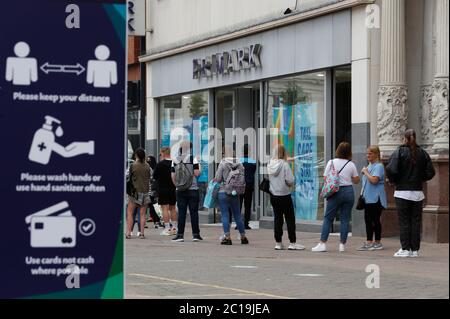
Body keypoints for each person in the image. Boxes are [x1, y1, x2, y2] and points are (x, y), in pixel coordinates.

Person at [386, 129, 435, 258]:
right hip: (418, 193)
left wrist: (394, 181)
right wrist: (420, 178)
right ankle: (414, 250)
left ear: (404, 138)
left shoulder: (399, 152)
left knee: (404, 221)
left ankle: (405, 248)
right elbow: (431, 172)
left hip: (402, 192)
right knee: (415, 221)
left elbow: (391, 169)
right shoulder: (423, 153)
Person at [312, 142, 360, 252]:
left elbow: (325, 178)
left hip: (335, 192)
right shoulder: (351, 164)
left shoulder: (331, 162)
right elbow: (357, 180)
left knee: (328, 218)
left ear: (337, 150)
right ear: (349, 152)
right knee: (345, 219)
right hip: (348, 191)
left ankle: (322, 244)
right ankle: (342, 245)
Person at [268, 145, 304, 250]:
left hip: (274, 195)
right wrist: (289, 184)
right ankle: (292, 242)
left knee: (277, 219)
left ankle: (278, 243)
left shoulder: (270, 164)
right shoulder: (284, 165)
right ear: (283, 153)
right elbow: (290, 180)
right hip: (284, 195)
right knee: (289, 219)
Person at [214, 146, 249, 245]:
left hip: (223, 191)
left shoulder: (223, 163)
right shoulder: (240, 164)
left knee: (225, 215)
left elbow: (218, 178)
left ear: (224, 153)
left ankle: (227, 237)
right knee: (237, 215)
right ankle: (243, 237)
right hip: (235, 192)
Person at [171, 141, 203, 242]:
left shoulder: (175, 159)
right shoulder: (193, 158)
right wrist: (200, 167)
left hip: (180, 190)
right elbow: (197, 173)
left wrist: (178, 186)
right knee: (194, 212)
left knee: (181, 213)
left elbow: (173, 176)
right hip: (193, 189)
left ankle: (180, 235)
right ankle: (196, 235)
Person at [357, 146, 387, 251]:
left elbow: (374, 180)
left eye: (370, 153)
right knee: (368, 220)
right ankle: (369, 241)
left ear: (376, 154)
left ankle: (377, 242)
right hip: (368, 198)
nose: (367, 155)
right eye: (367, 153)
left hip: (376, 198)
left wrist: (365, 172)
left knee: (375, 220)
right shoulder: (370, 166)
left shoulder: (378, 166)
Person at [126, 148, 151, 239]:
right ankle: (142, 233)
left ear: (136, 155)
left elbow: (127, 176)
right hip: (145, 192)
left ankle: (128, 233)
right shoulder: (147, 166)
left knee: (130, 213)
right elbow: (150, 177)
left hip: (134, 192)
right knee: (143, 214)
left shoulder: (133, 165)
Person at [153, 147, 177, 236]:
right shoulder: (174, 163)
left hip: (163, 188)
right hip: (173, 188)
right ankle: (175, 227)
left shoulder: (160, 164)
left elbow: (155, 176)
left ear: (163, 153)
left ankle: (167, 228)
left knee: (165, 208)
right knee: (173, 208)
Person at [239, 144, 256, 230]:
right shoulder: (253, 162)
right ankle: (246, 223)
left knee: (238, 205)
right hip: (249, 186)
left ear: (242, 152)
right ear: (249, 151)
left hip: (239, 186)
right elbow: (253, 172)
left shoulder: (239, 161)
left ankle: (238, 223)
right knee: (248, 205)